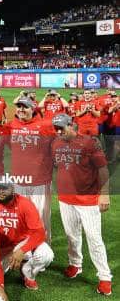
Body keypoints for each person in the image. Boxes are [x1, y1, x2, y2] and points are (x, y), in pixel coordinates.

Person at [51, 114, 112, 296]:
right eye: (56, 128)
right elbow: (58, 167)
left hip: (87, 200)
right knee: (72, 236)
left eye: (62, 127)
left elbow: (102, 169)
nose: (59, 131)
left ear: (72, 125)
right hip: (65, 199)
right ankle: (76, 265)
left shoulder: (89, 142)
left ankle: (104, 277)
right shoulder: (56, 144)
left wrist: (105, 194)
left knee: (94, 239)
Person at [0, 183, 54, 290]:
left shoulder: (24, 203)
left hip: (20, 244)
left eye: (5, 188)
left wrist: (22, 250)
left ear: (13, 189)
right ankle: (15, 262)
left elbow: (39, 232)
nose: (1, 192)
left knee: (46, 255)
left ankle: (28, 272)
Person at [7, 97, 55, 241]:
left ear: (32, 109)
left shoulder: (45, 125)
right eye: (19, 106)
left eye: (25, 107)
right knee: (20, 217)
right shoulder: (11, 125)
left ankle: (43, 251)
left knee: (40, 218)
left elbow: (58, 144)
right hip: (19, 180)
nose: (21, 109)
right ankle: (25, 251)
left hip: (40, 181)